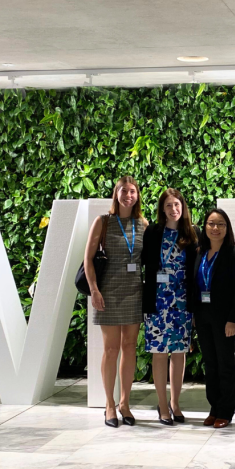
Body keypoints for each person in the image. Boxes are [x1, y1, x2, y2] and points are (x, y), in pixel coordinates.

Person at [84, 176, 146, 428]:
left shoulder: (143, 223)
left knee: (129, 346)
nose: (128, 195)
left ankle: (124, 403)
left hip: (134, 292)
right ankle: (109, 405)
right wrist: (94, 289)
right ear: (116, 194)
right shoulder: (103, 222)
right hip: (107, 292)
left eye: (132, 191)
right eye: (123, 191)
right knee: (111, 349)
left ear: (137, 195)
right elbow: (88, 259)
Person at [141, 188, 198, 426]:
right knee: (159, 352)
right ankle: (162, 405)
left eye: (177, 205)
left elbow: (196, 271)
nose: (173, 209)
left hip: (182, 302)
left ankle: (175, 403)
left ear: (182, 207)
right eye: (168, 206)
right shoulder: (154, 231)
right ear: (162, 210)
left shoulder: (193, 233)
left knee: (179, 352)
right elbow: (144, 261)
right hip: (157, 300)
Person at [190, 208, 235, 429]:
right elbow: (193, 285)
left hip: (224, 319)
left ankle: (226, 411)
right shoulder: (200, 252)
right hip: (202, 316)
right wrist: (193, 315)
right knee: (210, 365)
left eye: (220, 224)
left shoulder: (233, 253)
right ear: (205, 227)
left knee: (225, 365)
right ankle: (214, 408)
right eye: (211, 223)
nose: (215, 228)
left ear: (227, 228)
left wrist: (233, 319)